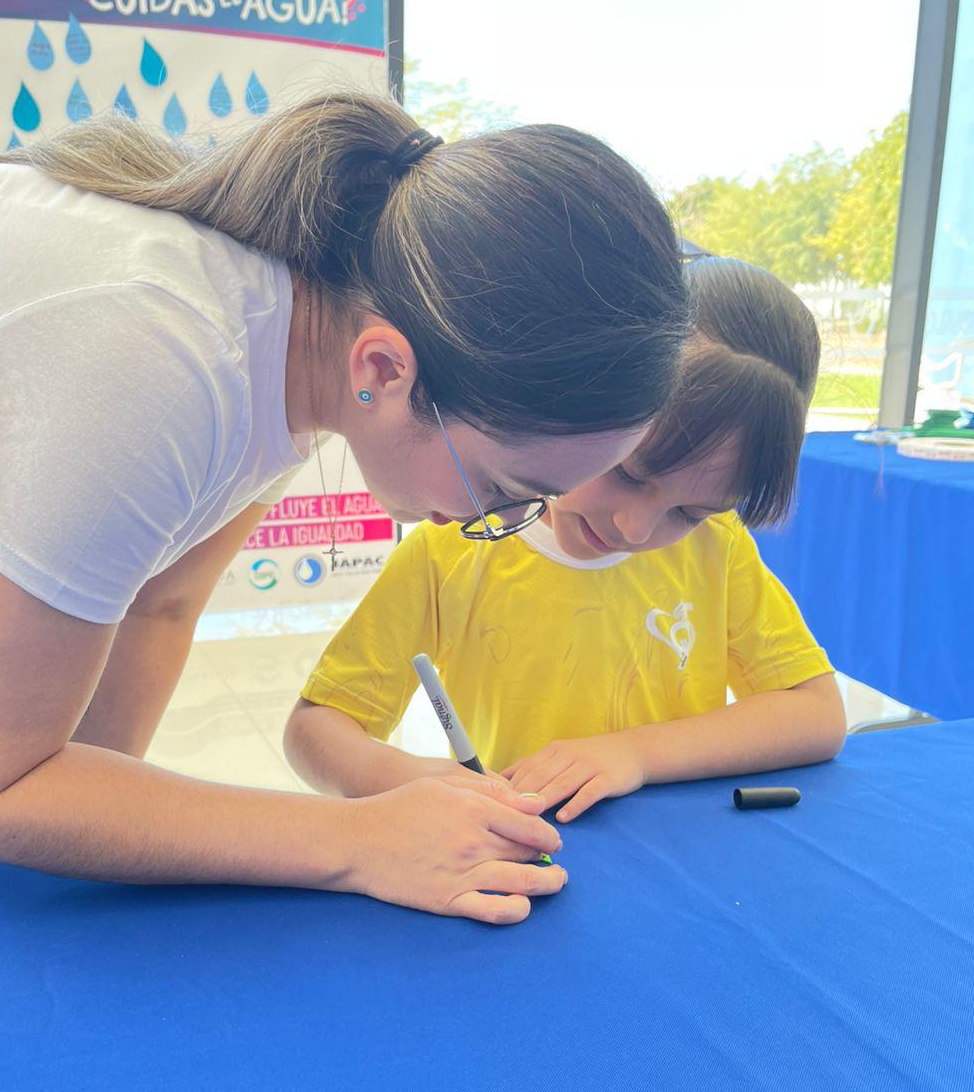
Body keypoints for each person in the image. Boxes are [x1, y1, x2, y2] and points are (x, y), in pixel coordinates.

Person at [0, 91, 689, 922]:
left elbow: (159, 604)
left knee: (27, 914)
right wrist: (360, 841)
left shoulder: (302, 321)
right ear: (387, 369)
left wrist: (76, 828)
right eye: (502, 492)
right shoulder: (154, 351)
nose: (485, 522)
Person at [285, 254, 847, 817]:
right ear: (578, 402)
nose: (636, 527)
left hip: (683, 856)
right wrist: (410, 780)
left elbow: (817, 714)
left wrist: (635, 754)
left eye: (690, 511)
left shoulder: (716, 549)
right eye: (627, 473)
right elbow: (315, 729)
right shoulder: (451, 551)